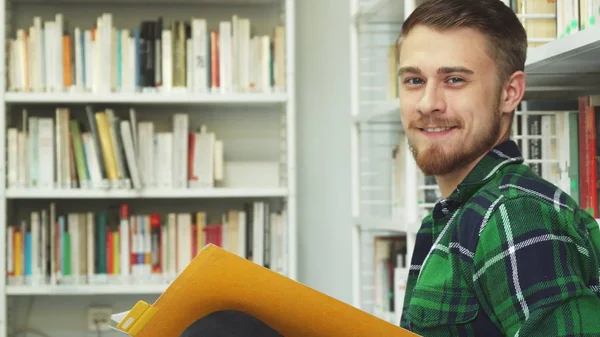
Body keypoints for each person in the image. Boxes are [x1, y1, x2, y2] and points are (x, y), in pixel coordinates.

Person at [396, 0, 600, 336]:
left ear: (509, 92)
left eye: (455, 79)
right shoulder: (461, 214)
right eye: (415, 80)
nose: (428, 103)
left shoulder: (514, 215)